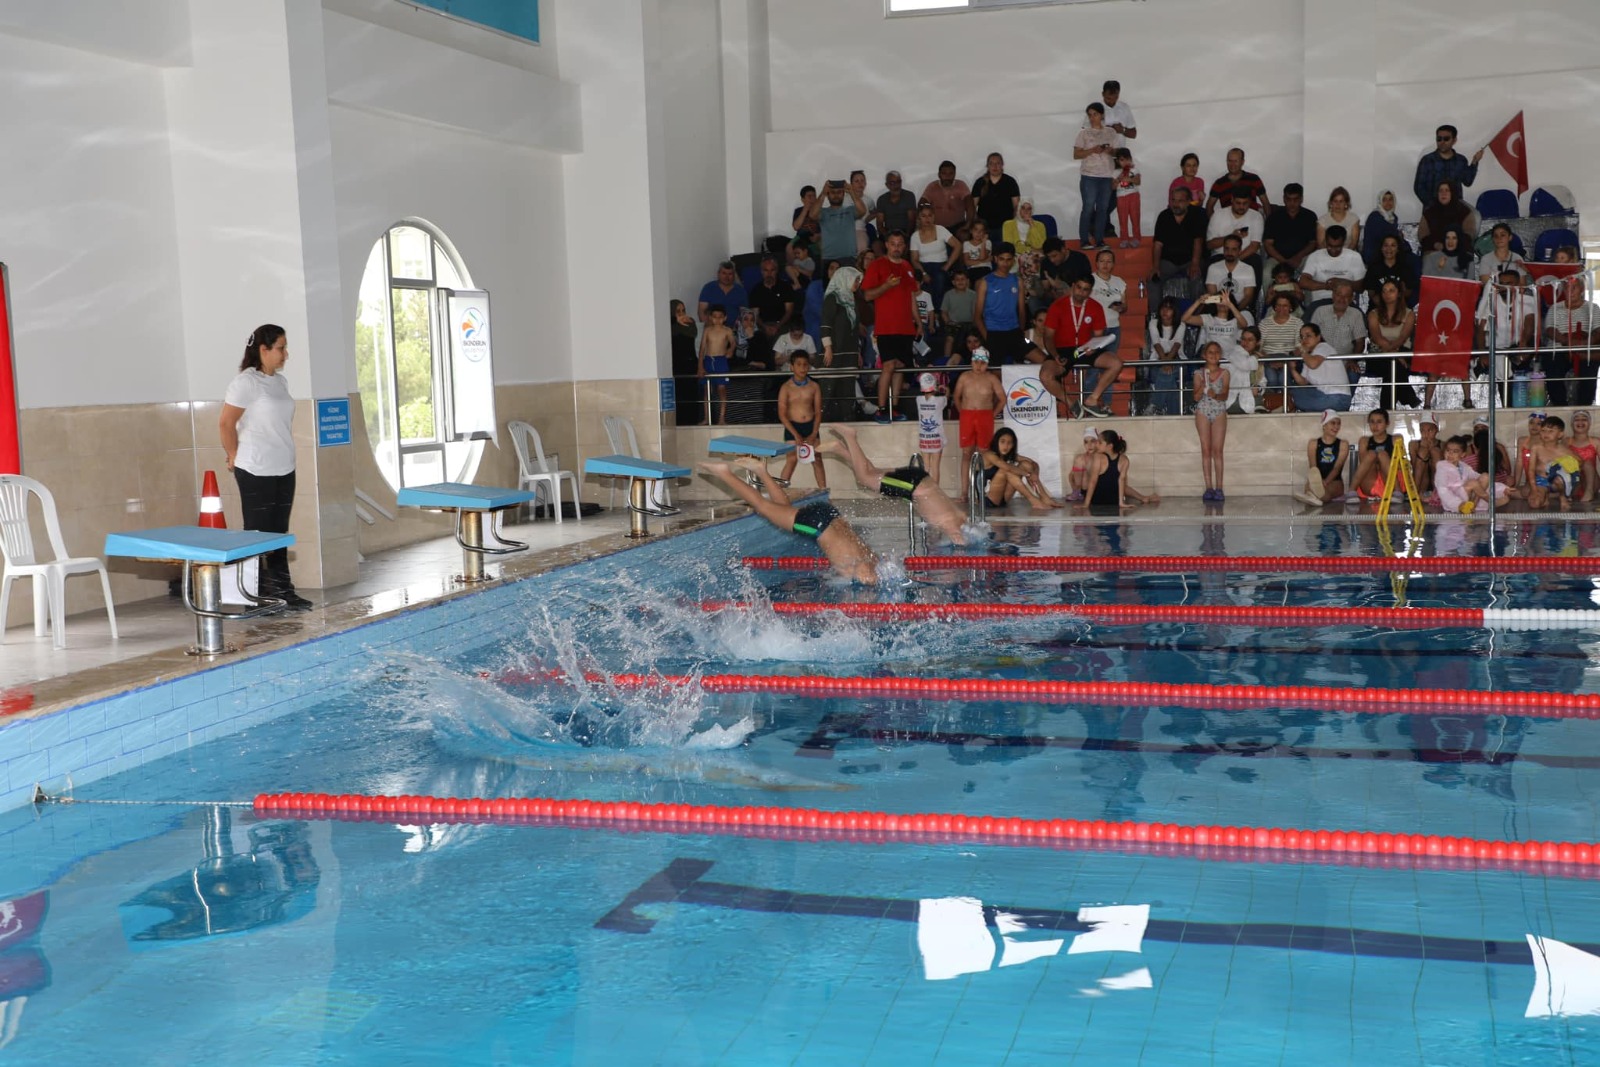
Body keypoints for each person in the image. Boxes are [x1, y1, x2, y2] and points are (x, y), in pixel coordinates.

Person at [220, 324, 311, 612]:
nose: (286, 353)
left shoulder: (280, 383)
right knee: (257, 535)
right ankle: (253, 596)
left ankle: (283, 591)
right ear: (264, 349)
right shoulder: (246, 382)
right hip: (255, 468)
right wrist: (233, 454)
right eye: (281, 347)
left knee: (279, 534)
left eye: (285, 347)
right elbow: (225, 423)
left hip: (283, 467)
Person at [701, 460, 877, 584]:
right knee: (762, 507)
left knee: (782, 509)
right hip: (817, 526)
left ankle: (761, 471)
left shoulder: (870, 558)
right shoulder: (864, 574)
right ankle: (723, 472)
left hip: (830, 514)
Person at [821, 424, 972, 545]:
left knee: (870, 472)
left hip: (920, 480)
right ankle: (850, 436)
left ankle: (840, 449)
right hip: (915, 487)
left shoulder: (959, 517)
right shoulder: (954, 527)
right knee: (865, 477)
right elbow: (961, 542)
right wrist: (959, 540)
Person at [864, 232, 920, 423]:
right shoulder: (877, 265)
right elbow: (868, 295)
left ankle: (894, 407)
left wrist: (918, 322)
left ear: (904, 246)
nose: (896, 247)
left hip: (905, 327)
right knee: (888, 366)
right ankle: (881, 409)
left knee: (900, 367)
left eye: (900, 244)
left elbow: (912, 296)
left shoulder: (907, 266)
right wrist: (886, 286)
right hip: (886, 326)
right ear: (887, 245)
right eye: (893, 244)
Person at [1043, 276, 1118, 417]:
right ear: (1073, 286)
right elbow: (1048, 336)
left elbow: (1098, 335)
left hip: (1085, 348)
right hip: (1062, 349)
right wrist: (1055, 355)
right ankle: (1072, 405)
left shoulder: (1095, 307)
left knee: (1116, 363)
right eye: (1079, 287)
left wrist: (1094, 347)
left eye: (1085, 290)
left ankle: (1092, 399)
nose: (1081, 292)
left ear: (1090, 291)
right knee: (1045, 375)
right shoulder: (1058, 306)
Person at [951, 347, 1005, 500]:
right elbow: (956, 396)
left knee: (984, 453)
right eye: (976, 362)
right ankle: (964, 492)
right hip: (968, 416)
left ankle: (982, 491)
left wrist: (992, 415)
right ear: (971, 362)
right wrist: (962, 412)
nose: (979, 366)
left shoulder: (991, 379)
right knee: (966, 453)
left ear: (987, 364)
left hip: (985, 416)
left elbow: (1003, 399)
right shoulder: (964, 377)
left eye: (982, 363)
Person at [975, 243, 1033, 365]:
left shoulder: (1017, 281)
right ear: (995, 259)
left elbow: (1022, 311)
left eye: (1008, 260)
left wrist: (1020, 331)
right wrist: (988, 338)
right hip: (993, 333)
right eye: (1002, 259)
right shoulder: (985, 282)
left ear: (1013, 260)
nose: (1005, 263)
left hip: (1014, 331)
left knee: (1045, 361)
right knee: (996, 374)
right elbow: (977, 316)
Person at [1365, 279, 1418, 410]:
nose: (1387, 294)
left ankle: (1387, 409)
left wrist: (1395, 354)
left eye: (1391, 290)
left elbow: (1403, 338)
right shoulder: (1373, 314)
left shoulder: (1409, 314)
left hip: (1402, 351)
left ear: (1399, 293)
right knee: (1395, 366)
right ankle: (1408, 396)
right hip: (1378, 352)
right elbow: (1377, 338)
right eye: (1384, 291)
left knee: (1392, 369)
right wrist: (1394, 354)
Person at [1546, 278, 1600, 405]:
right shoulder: (1555, 307)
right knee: (1553, 371)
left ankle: (1584, 407)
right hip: (1560, 348)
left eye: (1574, 287)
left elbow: (1599, 330)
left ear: (1581, 289)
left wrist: (1583, 344)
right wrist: (1567, 342)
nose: (1570, 291)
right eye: (1567, 288)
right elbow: (1550, 330)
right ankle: (1559, 407)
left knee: (1588, 373)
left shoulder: (1592, 307)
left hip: (1585, 348)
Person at [818, 265, 862, 422]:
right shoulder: (833, 297)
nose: (857, 283)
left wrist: (858, 352)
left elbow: (854, 330)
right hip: (834, 352)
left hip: (849, 354)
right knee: (828, 392)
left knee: (847, 393)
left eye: (858, 280)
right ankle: (821, 425)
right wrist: (827, 348)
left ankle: (848, 423)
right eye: (855, 279)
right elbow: (826, 324)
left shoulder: (852, 300)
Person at [776, 352, 825, 489]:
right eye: (798, 364)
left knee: (818, 460)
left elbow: (817, 412)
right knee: (791, 460)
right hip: (792, 426)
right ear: (791, 367)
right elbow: (782, 415)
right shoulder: (785, 388)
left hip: (811, 426)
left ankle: (824, 494)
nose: (803, 368)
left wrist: (814, 433)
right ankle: (780, 494)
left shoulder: (814, 386)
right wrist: (795, 433)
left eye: (805, 364)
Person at [1074, 102, 1119, 251]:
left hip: (1106, 175)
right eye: (1090, 115)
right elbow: (1076, 154)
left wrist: (1108, 150)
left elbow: (1116, 153)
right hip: (1089, 175)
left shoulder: (1110, 132)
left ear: (1102, 115)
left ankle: (1099, 239)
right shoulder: (1084, 133)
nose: (1093, 117)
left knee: (1103, 209)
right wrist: (1092, 150)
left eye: (1095, 114)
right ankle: (1084, 240)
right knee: (1088, 208)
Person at [981, 427, 1060, 509]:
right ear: (996, 442)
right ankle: (1034, 501)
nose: (1006, 446)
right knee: (1005, 470)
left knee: (1026, 464)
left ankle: (1045, 498)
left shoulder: (1009, 456)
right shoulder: (989, 454)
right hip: (987, 499)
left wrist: (1034, 473)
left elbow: (1033, 463)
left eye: (1009, 443)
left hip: (1003, 498)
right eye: (1002, 442)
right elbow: (1006, 467)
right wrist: (1028, 475)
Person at [1149, 186, 1206, 300]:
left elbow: (1198, 241)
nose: (1175, 204)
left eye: (1180, 201)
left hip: (1190, 260)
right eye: (1173, 200)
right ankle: (1155, 315)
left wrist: (1195, 264)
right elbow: (1158, 244)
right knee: (1153, 279)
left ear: (1189, 201)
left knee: (1196, 278)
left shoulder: (1197, 214)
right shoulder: (1164, 216)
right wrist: (1155, 266)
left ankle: (1196, 315)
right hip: (1169, 261)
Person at [1413, 124, 1485, 211]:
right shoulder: (1427, 160)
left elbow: (1468, 181)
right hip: (1432, 212)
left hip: (1456, 210)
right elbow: (1419, 187)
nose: (1442, 142)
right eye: (1439, 139)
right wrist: (1433, 205)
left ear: (1454, 140)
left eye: (1446, 139)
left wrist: (1474, 162)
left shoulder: (1461, 160)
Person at [1262, 182, 1318, 290]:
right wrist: (1283, 261)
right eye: (1288, 199)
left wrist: (1297, 258)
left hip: (1302, 258)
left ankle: (1308, 305)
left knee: (1312, 272)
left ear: (1301, 199)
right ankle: (1269, 304)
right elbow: (1268, 244)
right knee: (1266, 273)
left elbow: (1312, 243)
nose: (1292, 203)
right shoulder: (1274, 217)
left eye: (1296, 199)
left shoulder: (1310, 216)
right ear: (1284, 199)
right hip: (1277, 258)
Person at [1297, 226, 1366, 313]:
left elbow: (1361, 287)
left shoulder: (1354, 257)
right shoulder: (1315, 256)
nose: (1333, 250)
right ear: (1325, 242)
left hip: (1346, 302)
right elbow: (1303, 282)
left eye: (1338, 247)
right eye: (1330, 246)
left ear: (1343, 242)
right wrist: (1327, 286)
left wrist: (1341, 283)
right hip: (1320, 302)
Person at [1192, 341, 1229, 502]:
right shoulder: (1198, 374)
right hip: (1203, 411)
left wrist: (1215, 394)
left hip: (1219, 410)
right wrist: (1202, 386)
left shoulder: (1225, 373)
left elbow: (1225, 395)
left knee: (1218, 451)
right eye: (1210, 352)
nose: (1214, 355)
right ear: (1204, 355)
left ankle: (1219, 487)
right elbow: (1196, 397)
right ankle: (1208, 487)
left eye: (1216, 352)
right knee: (1206, 450)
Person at [1288, 323, 1352, 413]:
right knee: (1295, 391)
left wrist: (1302, 351)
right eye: (1302, 337)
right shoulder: (1308, 357)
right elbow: (1303, 382)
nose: (1304, 340)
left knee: (1296, 395)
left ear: (1318, 337)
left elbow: (1313, 364)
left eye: (1308, 336)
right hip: (1324, 396)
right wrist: (1292, 369)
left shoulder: (1323, 347)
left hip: (1338, 398)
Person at [1295, 410, 1351, 506]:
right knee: (1314, 486)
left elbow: (1337, 468)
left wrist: (1326, 482)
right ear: (1324, 425)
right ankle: (1313, 495)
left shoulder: (1343, 444)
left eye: (1338, 424)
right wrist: (1318, 482)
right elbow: (1313, 467)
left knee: (1325, 493)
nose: (1336, 427)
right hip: (1317, 480)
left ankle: (1313, 496)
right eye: (1333, 423)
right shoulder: (1313, 444)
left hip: (1335, 481)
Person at [909, 202, 959, 309]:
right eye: (923, 216)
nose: (927, 219)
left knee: (939, 278)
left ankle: (937, 313)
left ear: (934, 217)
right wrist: (924, 273)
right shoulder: (915, 236)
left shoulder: (941, 230)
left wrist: (947, 266)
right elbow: (914, 260)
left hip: (941, 266)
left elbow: (958, 246)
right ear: (919, 218)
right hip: (923, 267)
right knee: (924, 284)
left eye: (930, 215)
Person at [805, 178, 866, 265]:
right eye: (833, 192)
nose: (836, 195)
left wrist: (851, 192)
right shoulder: (823, 212)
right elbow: (812, 215)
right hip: (829, 258)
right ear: (828, 195)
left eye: (839, 192)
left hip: (849, 257)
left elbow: (863, 211)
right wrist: (823, 193)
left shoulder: (850, 210)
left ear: (844, 194)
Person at [1527, 415, 1580, 512]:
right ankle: (1545, 495)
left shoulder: (1564, 451)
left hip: (1557, 483)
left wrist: (1568, 467)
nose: (1546, 434)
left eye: (1551, 431)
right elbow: (1531, 470)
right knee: (1534, 504)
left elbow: (1579, 462)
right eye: (1543, 430)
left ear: (1560, 434)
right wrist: (1534, 489)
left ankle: (1562, 497)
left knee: (1560, 477)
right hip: (1541, 480)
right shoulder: (1537, 448)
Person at [1143, 296, 1184, 416]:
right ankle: (1175, 415)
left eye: (1169, 308)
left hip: (1177, 360)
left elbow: (1176, 345)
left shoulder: (1181, 325)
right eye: (1163, 308)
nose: (1165, 311)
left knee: (1166, 373)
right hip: (1157, 360)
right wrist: (1165, 363)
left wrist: (1168, 362)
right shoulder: (1153, 323)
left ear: (1175, 311)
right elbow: (1156, 344)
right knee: (1168, 376)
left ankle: (1154, 405)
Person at [1034, 235, 1093, 314]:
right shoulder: (1046, 262)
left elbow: (1087, 283)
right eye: (1049, 257)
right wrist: (1050, 290)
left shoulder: (1080, 259)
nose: (1052, 260)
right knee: (1033, 300)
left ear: (1063, 250)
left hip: (1075, 296)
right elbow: (1045, 288)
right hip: (1053, 297)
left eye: (1054, 256)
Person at [1206, 189, 1264, 267]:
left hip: (1247, 255)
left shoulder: (1256, 216)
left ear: (1250, 201)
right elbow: (1210, 245)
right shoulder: (1218, 214)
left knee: (1255, 261)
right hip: (1221, 255)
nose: (1241, 206)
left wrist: (1235, 261)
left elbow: (1254, 246)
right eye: (1238, 203)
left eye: (1245, 203)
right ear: (1232, 200)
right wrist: (1232, 236)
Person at [970, 152, 1021, 237]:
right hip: (984, 229)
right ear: (987, 166)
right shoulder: (980, 182)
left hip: (1005, 228)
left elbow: (1016, 206)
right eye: (991, 163)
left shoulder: (1010, 182)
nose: (995, 166)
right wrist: (977, 226)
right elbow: (972, 206)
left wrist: (1012, 225)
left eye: (998, 163)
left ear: (1002, 165)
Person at [669, 300, 703, 429]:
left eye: (683, 310)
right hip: (676, 365)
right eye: (678, 311)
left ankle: (692, 422)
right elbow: (670, 333)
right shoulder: (668, 324)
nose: (682, 314)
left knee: (691, 395)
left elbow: (692, 333)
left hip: (689, 363)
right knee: (679, 396)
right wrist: (675, 322)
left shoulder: (690, 321)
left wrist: (679, 323)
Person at [698, 305, 734, 425]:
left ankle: (722, 418)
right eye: (715, 317)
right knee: (707, 391)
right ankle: (706, 418)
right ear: (710, 317)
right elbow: (702, 348)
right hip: (708, 360)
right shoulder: (707, 330)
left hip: (721, 361)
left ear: (725, 318)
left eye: (720, 317)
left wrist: (730, 350)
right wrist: (700, 366)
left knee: (721, 389)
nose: (717, 319)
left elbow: (733, 343)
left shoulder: (727, 330)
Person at [1417, 180, 1477, 252]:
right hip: (1434, 251)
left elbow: (1469, 233)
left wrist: (1453, 245)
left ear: (1452, 193)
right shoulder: (1429, 213)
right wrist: (1436, 245)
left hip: (1459, 251)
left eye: (1447, 190)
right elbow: (1422, 235)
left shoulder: (1464, 212)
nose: (1443, 193)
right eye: (1440, 191)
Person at [1205, 148, 1270, 213]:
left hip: (1251, 219)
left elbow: (1266, 203)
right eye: (1230, 161)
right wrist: (1214, 221)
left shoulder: (1254, 179)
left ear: (1242, 162)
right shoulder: (1219, 183)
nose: (1232, 164)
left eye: (1236, 161)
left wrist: (1268, 222)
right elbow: (1209, 206)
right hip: (1228, 220)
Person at [1088, 248, 1128, 355]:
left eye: (1109, 261)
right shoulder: (1090, 280)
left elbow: (1125, 305)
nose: (1105, 264)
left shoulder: (1119, 281)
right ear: (1097, 263)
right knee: (1094, 361)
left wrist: (1120, 307)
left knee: (1111, 359)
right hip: (1094, 327)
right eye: (1102, 261)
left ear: (1113, 264)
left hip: (1113, 326)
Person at [1352, 408, 1398, 500]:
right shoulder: (1364, 441)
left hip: (1390, 482)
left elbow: (1399, 466)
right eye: (1372, 422)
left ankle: (1397, 492)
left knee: (1382, 455)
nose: (1375, 426)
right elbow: (1364, 467)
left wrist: (1383, 463)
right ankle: (1351, 491)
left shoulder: (1395, 439)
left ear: (1387, 423)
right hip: (1371, 483)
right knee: (1371, 455)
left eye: (1379, 422)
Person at [1205, 234, 1257, 309]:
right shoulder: (1213, 268)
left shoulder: (1248, 269)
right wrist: (1222, 311)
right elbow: (1212, 295)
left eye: (1234, 249)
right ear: (1223, 249)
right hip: (1218, 308)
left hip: (1241, 309)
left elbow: (1248, 297)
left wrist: (1234, 311)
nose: (1229, 252)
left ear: (1240, 250)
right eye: (1227, 249)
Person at [1364, 234, 1418, 305]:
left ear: (1398, 249)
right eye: (1386, 245)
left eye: (1393, 245)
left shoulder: (1405, 268)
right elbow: (1371, 294)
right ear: (1381, 248)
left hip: (1400, 308)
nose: (1389, 249)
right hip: (1378, 308)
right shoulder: (1373, 268)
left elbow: (1408, 293)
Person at [914, 372, 946, 486]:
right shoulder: (939, 401)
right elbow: (946, 396)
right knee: (935, 466)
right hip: (937, 437)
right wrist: (943, 389)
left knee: (926, 466)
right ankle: (935, 492)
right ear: (935, 386)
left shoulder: (918, 400)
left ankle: (926, 490)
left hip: (924, 438)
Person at [1434, 436, 1480, 514]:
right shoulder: (1441, 466)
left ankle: (1472, 506)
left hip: (1466, 500)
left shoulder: (1464, 466)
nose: (1450, 454)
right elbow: (1442, 488)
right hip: (1453, 505)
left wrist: (1503, 488)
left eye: (1455, 451)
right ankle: (1469, 505)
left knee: (1503, 497)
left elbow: (1479, 477)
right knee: (1473, 484)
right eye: (1448, 450)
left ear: (1463, 454)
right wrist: (1458, 504)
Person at [940, 269, 978, 362]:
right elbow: (944, 312)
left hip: (969, 323)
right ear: (953, 282)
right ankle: (946, 359)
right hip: (953, 323)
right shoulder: (948, 294)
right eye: (958, 279)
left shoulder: (973, 294)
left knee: (974, 337)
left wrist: (975, 325)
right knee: (949, 338)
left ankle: (975, 359)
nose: (960, 282)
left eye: (963, 279)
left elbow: (975, 312)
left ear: (968, 281)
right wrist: (948, 322)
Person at [921, 160, 970, 233]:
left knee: (965, 236)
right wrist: (928, 211)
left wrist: (967, 226)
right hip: (936, 227)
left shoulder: (961, 185)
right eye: (944, 173)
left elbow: (970, 206)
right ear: (939, 175)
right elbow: (922, 203)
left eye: (951, 173)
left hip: (958, 226)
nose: (947, 177)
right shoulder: (932, 186)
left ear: (955, 174)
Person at [749, 256, 795, 329]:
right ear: (761, 271)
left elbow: (789, 311)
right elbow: (755, 314)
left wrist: (778, 326)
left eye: (772, 270)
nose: (769, 274)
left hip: (782, 324)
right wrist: (765, 327)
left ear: (777, 271)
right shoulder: (756, 290)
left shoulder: (786, 287)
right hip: (762, 326)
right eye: (766, 270)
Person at [1001, 198, 1046, 274]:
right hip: (1015, 257)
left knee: (1036, 267)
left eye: (1029, 209)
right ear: (1018, 209)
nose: (1026, 211)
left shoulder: (1040, 225)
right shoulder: (1008, 224)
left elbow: (1040, 245)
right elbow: (1008, 246)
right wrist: (1029, 251)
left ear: (1032, 211)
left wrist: (1032, 226)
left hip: (1034, 258)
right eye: (1023, 208)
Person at [1362, 190, 1403, 263]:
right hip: (1375, 254)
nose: (1388, 203)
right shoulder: (1375, 217)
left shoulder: (1393, 217)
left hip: (1388, 252)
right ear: (1380, 202)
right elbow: (1384, 238)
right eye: (1384, 200)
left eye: (1390, 199)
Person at [1112, 147, 1142, 249]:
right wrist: (1120, 177)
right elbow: (1113, 187)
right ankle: (1124, 239)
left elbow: (1138, 181)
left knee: (1135, 218)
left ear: (1130, 159)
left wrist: (1128, 178)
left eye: (1127, 159)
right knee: (1122, 219)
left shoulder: (1134, 169)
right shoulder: (1115, 172)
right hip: (1121, 197)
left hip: (1133, 195)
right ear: (1117, 161)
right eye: (1122, 160)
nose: (1125, 162)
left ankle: (1136, 238)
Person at [1316, 186, 1360, 251]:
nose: (1338, 204)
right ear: (1331, 203)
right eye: (1335, 201)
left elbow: (1353, 243)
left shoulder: (1353, 219)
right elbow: (1321, 245)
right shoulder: (1322, 220)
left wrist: (1344, 257)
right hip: (1327, 254)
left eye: (1341, 201)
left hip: (1348, 254)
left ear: (1346, 204)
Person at [876, 171, 918, 238]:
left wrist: (906, 237)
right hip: (888, 233)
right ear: (887, 185)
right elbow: (879, 225)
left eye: (898, 182)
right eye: (892, 183)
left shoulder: (909, 196)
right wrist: (889, 238)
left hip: (906, 233)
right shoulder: (881, 199)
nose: (896, 185)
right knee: (876, 246)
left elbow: (912, 221)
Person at [1409, 412, 1442, 497]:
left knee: (1435, 452)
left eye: (1430, 430)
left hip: (1438, 483)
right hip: (1421, 482)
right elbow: (1414, 466)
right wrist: (1423, 449)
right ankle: (1414, 493)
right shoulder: (1413, 444)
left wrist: (1431, 449)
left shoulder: (1443, 444)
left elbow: (1445, 469)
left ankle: (1437, 493)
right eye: (1422, 430)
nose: (1426, 434)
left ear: (1437, 430)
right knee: (1422, 452)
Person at [1567, 410, 1597, 502]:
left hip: (1592, 483)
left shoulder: (1596, 442)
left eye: (1584, 419)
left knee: (1587, 463)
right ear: (1572, 424)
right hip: (1574, 481)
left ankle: (1589, 492)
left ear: (1589, 423)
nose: (1580, 422)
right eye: (1577, 419)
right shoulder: (1566, 442)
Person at [1067, 424, 1101, 502]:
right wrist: (1074, 487)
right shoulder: (1081, 458)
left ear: (1097, 443)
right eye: (1086, 442)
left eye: (1092, 441)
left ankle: (1078, 493)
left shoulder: (1102, 457)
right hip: (1083, 491)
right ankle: (1077, 493)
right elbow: (1071, 475)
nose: (1089, 445)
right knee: (1080, 459)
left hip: (1097, 491)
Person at [959, 219, 994, 284]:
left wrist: (983, 243)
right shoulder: (966, 243)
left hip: (985, 269)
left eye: (981, 230)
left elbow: (982, 257)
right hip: (972, 270)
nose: (978, 233)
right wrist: (984, 260)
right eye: (976, 230)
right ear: (971, 231)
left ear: (985, 232)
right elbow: (967, 262)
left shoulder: (987, 242)